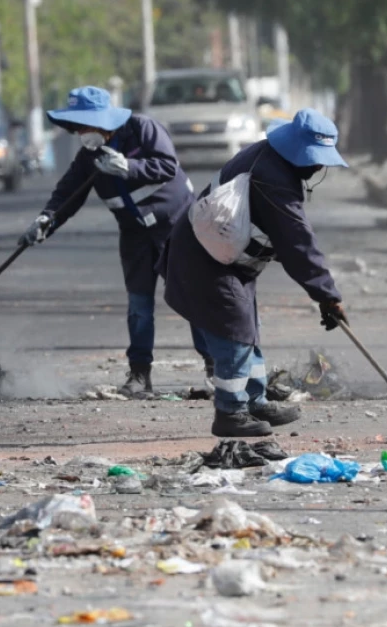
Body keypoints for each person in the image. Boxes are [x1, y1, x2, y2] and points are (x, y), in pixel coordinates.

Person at [162, 109, 348, 438]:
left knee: (248, 328)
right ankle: (230, 413)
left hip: (226, 258)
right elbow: (297, 242)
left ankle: (254, 400)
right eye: (314, 158)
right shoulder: (273, 178)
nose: (319, 166)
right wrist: (327, 295)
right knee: (233, 331)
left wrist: (323, 293)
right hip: (204, 259)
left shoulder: (270, 156)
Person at [19, 86, 196, 395]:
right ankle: (139, 374)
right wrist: (47, 220)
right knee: (139, 306)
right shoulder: (89, 157)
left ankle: (214, 366)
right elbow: (66, 195)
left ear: (104, 121)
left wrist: (130, 167)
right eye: (77, 127)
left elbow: (168, 166)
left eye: (86, 125)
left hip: (174, 228)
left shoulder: (143, 129)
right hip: (135, 235)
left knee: (193, 299)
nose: (81, 132)